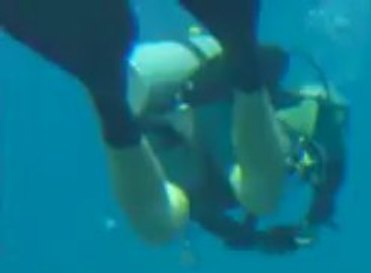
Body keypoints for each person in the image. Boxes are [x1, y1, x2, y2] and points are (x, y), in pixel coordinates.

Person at [1, 0, 347, 253]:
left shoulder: (213, 204)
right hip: (207, 93)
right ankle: (237, 59)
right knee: (258, 195)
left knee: (161, 224)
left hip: (177, 92)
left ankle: (104, 89)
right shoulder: (308, 122)